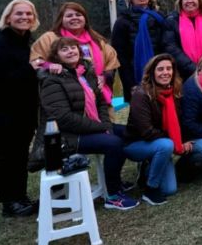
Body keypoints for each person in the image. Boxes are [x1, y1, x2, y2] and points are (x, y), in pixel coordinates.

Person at [38, 37, 138, 210]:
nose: (71, 51)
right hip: (66, 136)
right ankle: (113, 196)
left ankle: (119, 181)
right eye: (64, 49)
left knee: (128, 132)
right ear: (56, 56)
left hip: (93, 126)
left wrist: (105, 124)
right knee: (114, 143)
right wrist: (102, 128)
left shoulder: (85, 72)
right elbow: (63, 118)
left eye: (73, 48)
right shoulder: (51, 79)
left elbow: (100, 102)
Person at [125, 54, 202, 205]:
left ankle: (180, 168)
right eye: (160, 69)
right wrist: (176, 142)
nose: (165, 72)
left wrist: (181, 141)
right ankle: (150, 186)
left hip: (168, 141)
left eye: (169, 69)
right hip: (139, 143)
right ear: (152, 72)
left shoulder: (175, 91)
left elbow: (180, 122)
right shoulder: (141, 95)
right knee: (169, 189)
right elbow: (146, 132)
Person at [0, 0, 40, 217]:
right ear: (8, 17)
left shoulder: (26, 41)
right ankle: (9, 203)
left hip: (24, 110)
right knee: (7, 156)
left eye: (28, 14)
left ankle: (20, 197)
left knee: (19, 154)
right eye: (19, 14)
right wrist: (30, 69)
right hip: (5, 111)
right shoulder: (1, 42)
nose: (24, 17)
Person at [30, 1, 120, 104]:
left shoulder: (97, 40)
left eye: (78, 15)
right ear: (61, 20)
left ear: (85, 19)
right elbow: (35, 60)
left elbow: (111, 63)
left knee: (103, 117)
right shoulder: (49, 38)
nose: (74, 18)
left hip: (97, 94)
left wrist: (104, 77)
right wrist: (49, 65)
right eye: (69, 16)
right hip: (64, 96)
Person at [111, 0, 165, 103]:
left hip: (160, 74)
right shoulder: (122, 22)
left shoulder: (160, 18)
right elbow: (120, 56)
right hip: (134, 77)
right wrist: (130, 84)